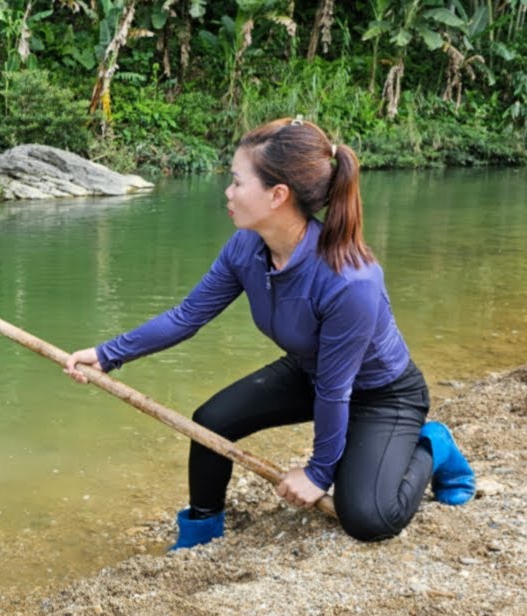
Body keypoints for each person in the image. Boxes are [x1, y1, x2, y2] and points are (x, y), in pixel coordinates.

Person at [64, 116, 476, 549]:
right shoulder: (246, 247)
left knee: (368, 518)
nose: (228, 192)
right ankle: (202, 531)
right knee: (211, 423)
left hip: (381, 393)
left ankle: (434, 446)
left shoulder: (349, 281)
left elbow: (337, 391)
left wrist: (319, 472)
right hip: (311, 372)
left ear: (278, 195)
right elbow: (187, 317)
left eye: (237, 182)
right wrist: (108, 354)